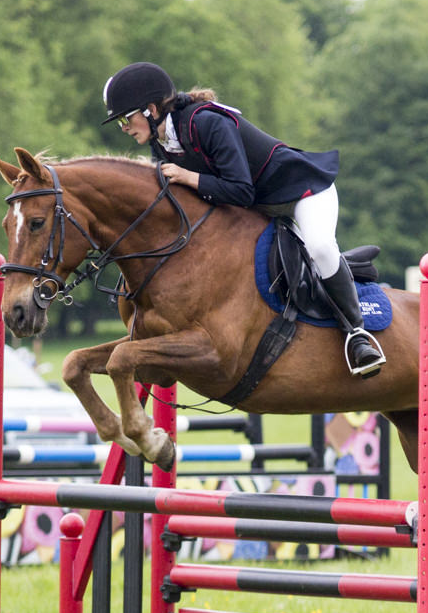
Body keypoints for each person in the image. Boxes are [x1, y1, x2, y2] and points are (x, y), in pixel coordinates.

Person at [101, 61, 386, 378]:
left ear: (152, 110)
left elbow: (240, 190)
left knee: (318, 247)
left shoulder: (206, 123)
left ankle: (357, 334)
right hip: (261, 207)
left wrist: (187, 176)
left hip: (302, 193)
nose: (124, 127)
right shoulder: (162, 140)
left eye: (127, 118)